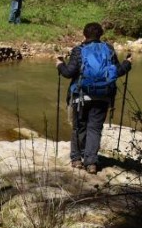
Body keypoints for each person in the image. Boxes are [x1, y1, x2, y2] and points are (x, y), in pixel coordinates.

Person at [56, 22, 132, 174]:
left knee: (79, 127)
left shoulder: (78, 50)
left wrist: (59, 64)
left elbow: (68, 73)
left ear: (84, 35)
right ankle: (91, 163)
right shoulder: (108, 49)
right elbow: (117, 71)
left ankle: (77, 159)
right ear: (100, 35)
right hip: (103, 96)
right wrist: (127, 63)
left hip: (80, 96)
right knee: (95, 129)